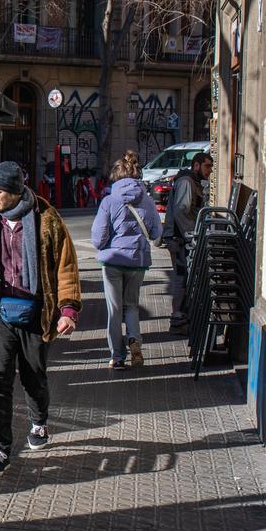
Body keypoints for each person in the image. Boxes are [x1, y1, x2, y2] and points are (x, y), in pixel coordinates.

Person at [0, 161, 81, 478]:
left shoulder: (46, 219)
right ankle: (0, 448)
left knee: (33, 376)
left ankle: (39, 422)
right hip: (1, 309)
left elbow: (66, 266)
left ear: (15, 192)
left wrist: (68, 309)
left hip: (36, 311)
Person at [91, 152, 162, 370]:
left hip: (113, 262)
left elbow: (98, 237)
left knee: (114, 309)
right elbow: (156, 232)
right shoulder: (148, 201)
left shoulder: (109, 201)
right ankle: (135, 342)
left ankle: (117, 356)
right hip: (138, 262)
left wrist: (107, 246)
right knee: (131, 306)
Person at [161, 151, 213, 332]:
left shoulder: (192, 181)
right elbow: (181, 210)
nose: (209, 171)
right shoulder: (186, 181)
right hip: (179, 239)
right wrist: (191, 235)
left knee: (184, 277)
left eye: (211, 167)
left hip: (181, 237)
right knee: (182, 277)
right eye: (207, 166)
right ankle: (178, 319)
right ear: (196, 165)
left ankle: (181, 318)